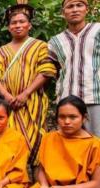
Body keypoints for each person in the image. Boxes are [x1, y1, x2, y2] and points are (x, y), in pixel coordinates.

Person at [15, 95, 100, 188]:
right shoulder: (49, 138)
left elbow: (96, 184)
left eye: (73, 117)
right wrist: (43, 186)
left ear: (84, 118)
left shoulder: (94, 144)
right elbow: (41, 170)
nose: (67, 121)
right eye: (62, 117)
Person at [0, 4, 57, 167]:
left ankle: (34, 176)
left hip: (32, 101)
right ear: (8, 27)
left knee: (35, 138)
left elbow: (46, 70)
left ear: (29, 25)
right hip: (9, 103)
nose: (18, 26)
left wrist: (26, 93)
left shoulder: (40, 46)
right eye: (14, 23)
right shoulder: (2, 51)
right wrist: (6, 96)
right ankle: (13, 175)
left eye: (21, 22)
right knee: (10, 138)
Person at [48, 0, 100, 137]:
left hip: (95, 97)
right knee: (69, 143)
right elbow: (51, 69)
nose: (75, 9)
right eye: (70, 6)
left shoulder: (97, 30)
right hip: (67, 100)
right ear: (63, 12)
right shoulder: (55, 41)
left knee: (97, 141)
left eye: (79, 5)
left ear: (86, 9)